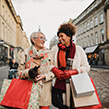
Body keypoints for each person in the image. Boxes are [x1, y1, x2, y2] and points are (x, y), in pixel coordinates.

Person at [50, 22, 90, 109]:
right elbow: (49, 63)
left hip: (75, 85)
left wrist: (74, 71)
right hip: (60, 86)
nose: (60, 39)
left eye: (62, 36)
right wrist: (55, 70)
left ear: (69, 36)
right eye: (59, 36)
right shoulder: (55, 50)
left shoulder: (78, 49)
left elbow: (86, 67)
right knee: (61, 106)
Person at [17, 31, 55, 109]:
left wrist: (45, 76)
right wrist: (28, 73)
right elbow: (19, 72)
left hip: (44, 91)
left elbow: (54, 71)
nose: (43, 40)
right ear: (33, 40)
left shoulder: (49, 54)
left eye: (45, 39)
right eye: (41, 38)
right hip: (28, 90)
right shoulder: (24, 53)